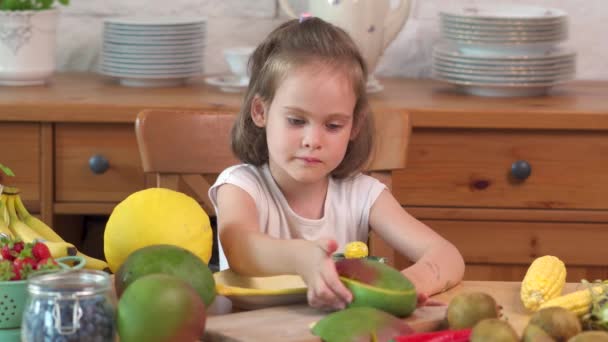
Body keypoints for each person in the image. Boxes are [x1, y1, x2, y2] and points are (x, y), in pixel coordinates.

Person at [208, 17, 464, 311]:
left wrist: (409, 284)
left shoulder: (363, 194)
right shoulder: (240, 187)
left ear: (354, 126)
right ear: (260, 111)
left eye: (333, 125)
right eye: (296, 120)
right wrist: (304, 258)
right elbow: (241, 248)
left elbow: (447, 255)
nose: (312, 140)